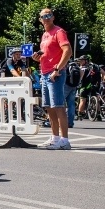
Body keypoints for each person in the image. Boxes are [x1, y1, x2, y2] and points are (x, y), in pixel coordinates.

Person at [31, 8, 73, 150]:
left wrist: (57, 69)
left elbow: (68, 51)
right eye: (44, 16)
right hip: (44, 73)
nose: (47, 18)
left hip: (55, 73)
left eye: (49, 15)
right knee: (49, 108)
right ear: (40, 20)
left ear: (53, 17)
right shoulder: (45, 35)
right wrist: (38, 58)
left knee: (59, 106)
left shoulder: (58, 32)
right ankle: (55, 138)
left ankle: (65, 140)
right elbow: (48, 54)